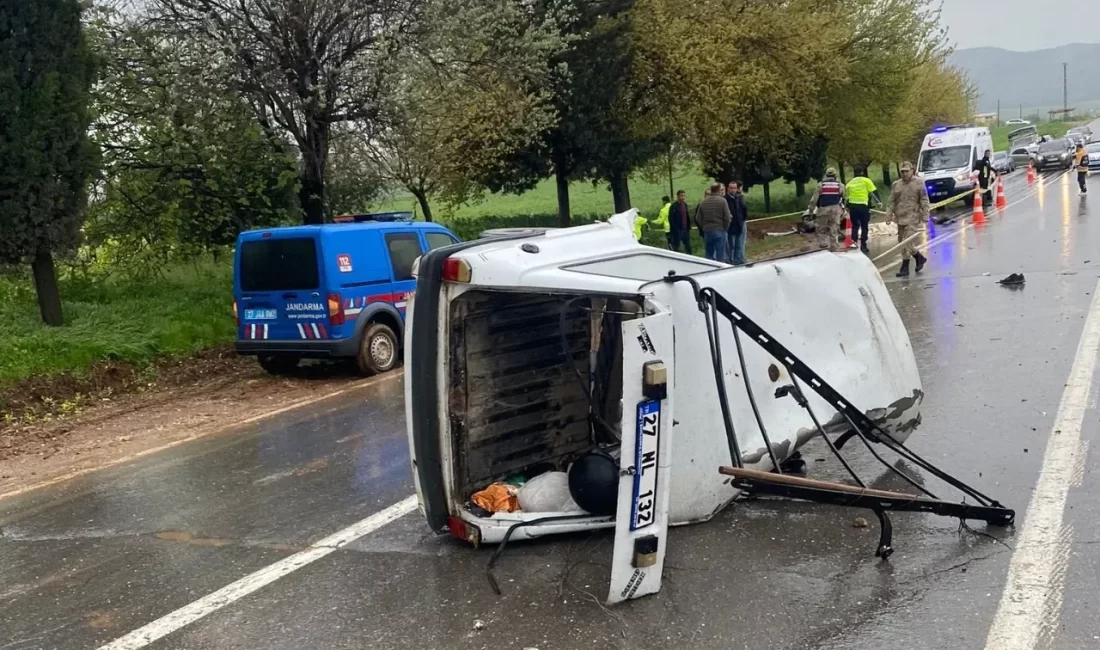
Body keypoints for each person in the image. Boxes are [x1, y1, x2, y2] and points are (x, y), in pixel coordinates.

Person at [887, 161, 930, 277]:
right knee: (901, 242)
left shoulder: (919, 183)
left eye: (907, 171)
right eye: (902, 171)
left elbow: (924, 200)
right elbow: (891, 200)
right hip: (900, 217)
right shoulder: (896, 184)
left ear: (912, 171)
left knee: (907, 242)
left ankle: (906, 266)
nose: (904, 174)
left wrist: (926, 215)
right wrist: (889, 214)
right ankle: (918, 258)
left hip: (913, 217)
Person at [805, 167, 846, 251]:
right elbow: (844, 198)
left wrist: (811, 211)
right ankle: (834, 247)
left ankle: (824, 245)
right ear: (835, 175)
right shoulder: (840, 185)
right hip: (835, 209)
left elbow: (814, 200)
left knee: (820, 228)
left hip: (823, 208)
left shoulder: (821, 185)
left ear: (826, 175)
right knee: (834, 228)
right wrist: (843, 209)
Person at [694, 182, 733, 262]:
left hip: (707, 231)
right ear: (719, 190)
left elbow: (698, 218)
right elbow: (728, 217)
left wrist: (704, 227)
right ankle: (720, 271)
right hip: (719, 229)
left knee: (709, 254)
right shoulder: (722, 201)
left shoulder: (703, 202)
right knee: (720, 254)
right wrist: (725, 228)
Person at [845, 167, 879, 253]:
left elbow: (846, 197)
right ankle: (863, 245)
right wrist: (879, 202)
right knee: (864, 226)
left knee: (855, 226)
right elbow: (874, 192)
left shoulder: (850, 183)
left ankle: (854, 243)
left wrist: (846, 206)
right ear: (863, 172)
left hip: (853, 207)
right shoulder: (866, 180)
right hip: (863, 206)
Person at [725, 181, 748, 265]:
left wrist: (742, 219)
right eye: (731, 188)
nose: (733, 190)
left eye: (734, 188)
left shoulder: (738, 198)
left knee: (739, 244)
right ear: (728, 188)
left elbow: (744, 209)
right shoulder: (725, 199)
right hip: (730, 226)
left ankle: (738, 259)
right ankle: (730, 260)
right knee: (731, 245)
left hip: (739, 224)